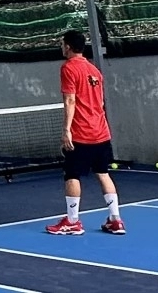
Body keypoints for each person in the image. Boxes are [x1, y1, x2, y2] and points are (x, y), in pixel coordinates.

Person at [46, 30, 125, 235]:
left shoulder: (68, 68)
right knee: (103, 173)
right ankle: (115, 220)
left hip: (82, 133)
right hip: (101, 132)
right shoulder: (94, 70)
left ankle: (73, 221)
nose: (61, 47)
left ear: (68, 47)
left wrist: (66, 130)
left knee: (72, 175)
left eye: (62, 44)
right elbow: (98, 101)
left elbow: (70, 100)